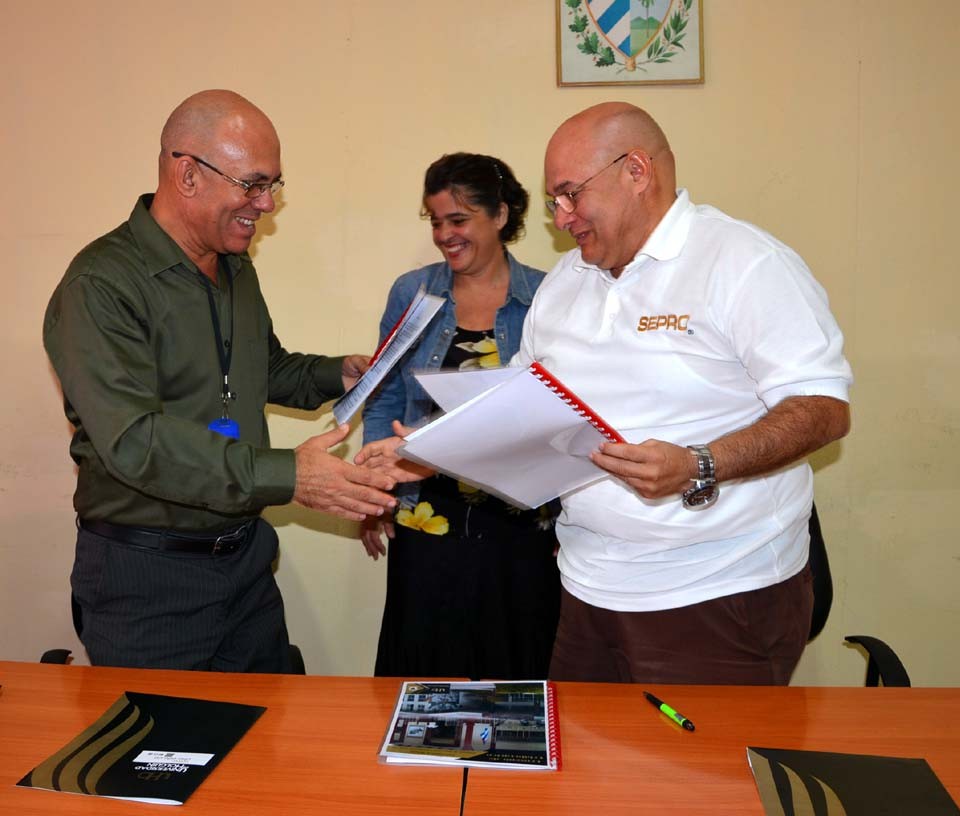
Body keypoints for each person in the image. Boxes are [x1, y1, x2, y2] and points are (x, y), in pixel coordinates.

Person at [360, 103, 852, 686]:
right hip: (586, 590)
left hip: (716, 591)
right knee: (580, 747)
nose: (561, 218)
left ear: (636, 171)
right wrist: (426, 448)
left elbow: (822, 410)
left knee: (698, 751)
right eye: (554, 201)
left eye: (571, 195)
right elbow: (515, 406)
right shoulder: (566, 282)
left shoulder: (743, 262)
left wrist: (701, 464)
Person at [43, 90, 397, 673]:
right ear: (187, 174)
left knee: (271, 728)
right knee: (163, 733)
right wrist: (290, 475)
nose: (267, 204)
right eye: (252, 185)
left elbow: (261, 369)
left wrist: (340, 373)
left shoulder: (235, 268)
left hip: (245, 565)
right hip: (149, 582)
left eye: (273, 186)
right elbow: (135, 441)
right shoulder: (100, 286)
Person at [360, 152, 561, 680]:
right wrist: (376, 491)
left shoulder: (549, 296)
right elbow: (383, 396)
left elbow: (562, 415)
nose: (444, 235)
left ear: (500, 214)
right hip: (426, 520)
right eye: (435, 221)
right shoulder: (412, 293)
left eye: (458, 219)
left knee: (516, 676)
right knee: (426, 678)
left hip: (520, 526)